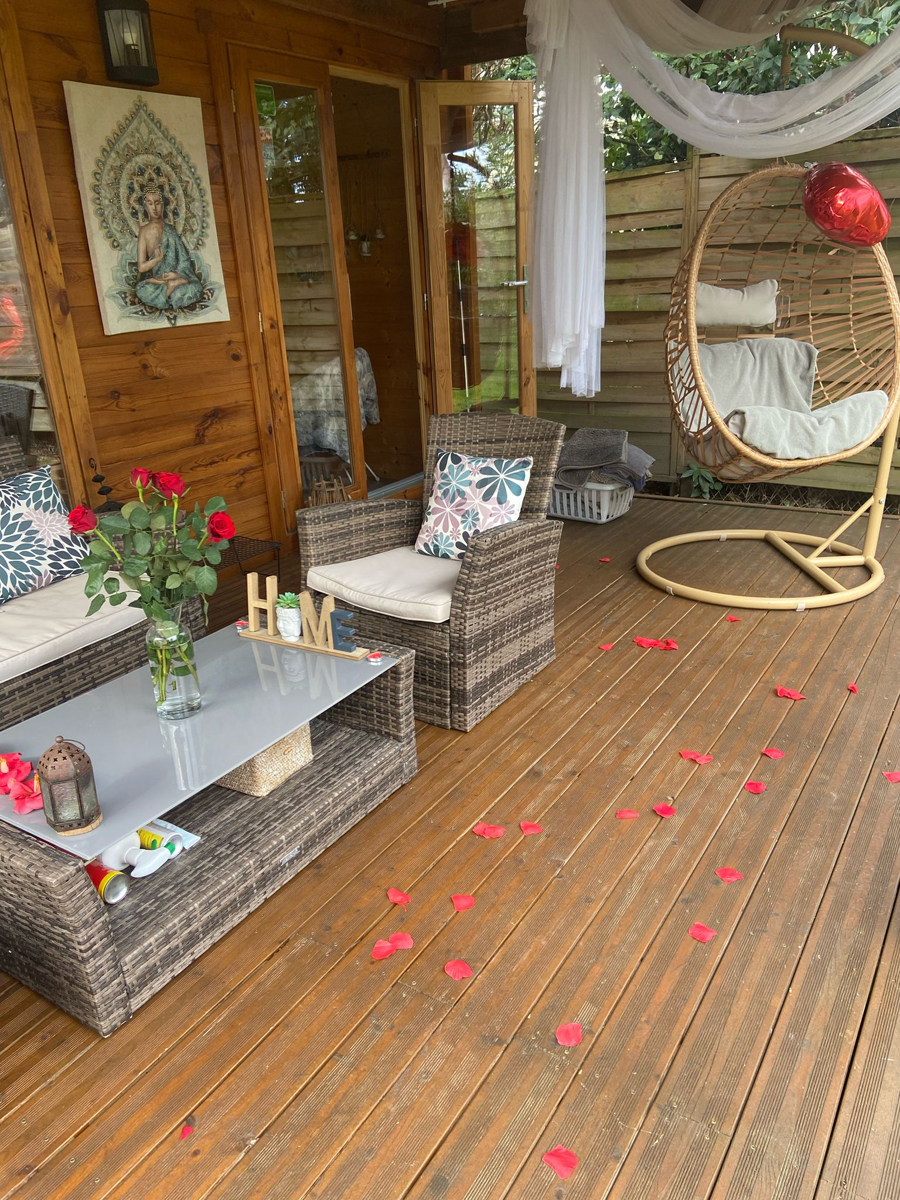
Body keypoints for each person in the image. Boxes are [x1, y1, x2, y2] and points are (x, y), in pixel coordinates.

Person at [134, 182, 203, 310]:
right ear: (145, 206)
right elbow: (141, 267)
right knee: (141, 289)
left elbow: (184, 260)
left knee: (196, 288)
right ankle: (170, 289)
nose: (154, 207)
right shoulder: (143, 231)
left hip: (174, 277)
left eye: (157, 203)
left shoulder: (171, 230)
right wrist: (157, 259)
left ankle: (171, 289)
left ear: (163, 204)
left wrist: (177, 275)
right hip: (158, 280)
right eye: (150, 203)